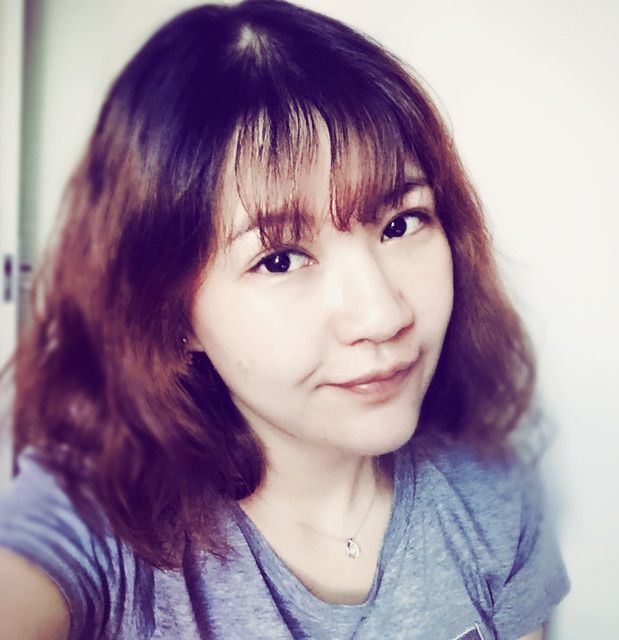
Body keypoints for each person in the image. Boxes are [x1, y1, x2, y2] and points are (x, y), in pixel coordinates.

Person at [0, 1, 569, 638]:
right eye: (279, 259)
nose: (383, 315)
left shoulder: (494, 501)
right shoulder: (98, 525)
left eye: (401, 223)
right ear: (173, 315)